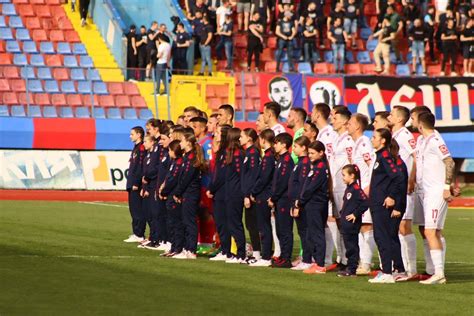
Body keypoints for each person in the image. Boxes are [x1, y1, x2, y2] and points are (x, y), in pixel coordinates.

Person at [417, 112, 455, 285]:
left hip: (436, 192)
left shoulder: (435, 140)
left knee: (430, 231)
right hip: (428, 192)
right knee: (434, 232)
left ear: (419, 124)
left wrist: (447, 187)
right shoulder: (425, 141)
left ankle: (438, 273)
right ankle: (438, 272)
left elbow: (450, 162)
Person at [368, 128, 406, 283]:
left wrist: (391, 197)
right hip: (377, 202)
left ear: (383, 140)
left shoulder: (384, 156)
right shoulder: (380, 156)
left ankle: (387, 273)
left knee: (382, 236)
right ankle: (397, 270)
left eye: (374, 137)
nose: (372, 139)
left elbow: (398, 178)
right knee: (388, 236)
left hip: (382, 204)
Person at [388, 105, 418, 279]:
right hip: (397, 186)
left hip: (405, 185)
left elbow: (415, 156)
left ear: (400, 119)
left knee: (404, 226)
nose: (389, 116)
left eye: (392, 114)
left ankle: (410, 269)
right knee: (398, 226)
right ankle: (401, 266)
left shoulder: (406, 135)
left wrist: (411, 179)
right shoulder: (395, 135)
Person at [346, 113, 376, 275]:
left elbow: (371, 165)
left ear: (358, 126)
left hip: (365, 190)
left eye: (350, 123)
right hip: (358, 191)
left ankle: (366, 263)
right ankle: (361, 261)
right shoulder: (356, 143)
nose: (347, 125)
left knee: (366, 226)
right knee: (359, 227)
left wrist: (369, 187)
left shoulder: (364, 142)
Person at [296, 141, 330, 274]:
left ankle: (320, 264)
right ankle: (317, 261)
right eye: (309, 153)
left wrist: (301, 200)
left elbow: (311, 187)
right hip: (313, 203)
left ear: (321, 153)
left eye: (312, 153)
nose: (309, 155)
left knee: (317, 234)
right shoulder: (317, 166)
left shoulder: (320, 167)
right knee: (313, 233)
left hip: (315, 204)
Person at [172, 131, 206, 259]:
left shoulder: (191, 158)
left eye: (182, 141)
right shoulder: (188, 157)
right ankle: (187, 248)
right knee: (186, 221)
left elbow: (186, 178)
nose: (180, 143)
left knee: (189, 222)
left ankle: (191, 250)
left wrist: (178, 192)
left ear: (188, 142)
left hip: (190, 193)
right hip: (187, 193)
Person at [328, 107, 354, 270]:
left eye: (335, 118)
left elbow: (352, 163)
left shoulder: (348, 140)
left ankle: (352, 258)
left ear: (345, 121)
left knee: (347, 224)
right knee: (338, 222)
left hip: (344, 187)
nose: (332, 120)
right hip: (335, 186)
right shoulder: (337, 139)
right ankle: (343, 258)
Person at [247, 129, 276, 267]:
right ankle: (265, 255)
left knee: (264, 227)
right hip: (263, 194)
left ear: (264, 139)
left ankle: (266, 257)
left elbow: (263, 178)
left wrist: (254, 191)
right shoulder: (269, 156)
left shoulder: (269, 157)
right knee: (263, 226)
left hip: (263, 195)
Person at [268, 133, 295, 268]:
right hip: (279, 200)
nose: (274, 145)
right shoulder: (281, 160)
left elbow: (283, 182)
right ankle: (283, 256)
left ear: (284, 144)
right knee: (280, 229)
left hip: (284, 200)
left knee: (285, 229)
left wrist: (274, 197)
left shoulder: (286, 161)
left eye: (277, 143)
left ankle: (286, 258)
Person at [338, 164, 369, 277]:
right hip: (346, 223)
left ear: (352, 176)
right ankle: (350, 267)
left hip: (351, 224)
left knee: (352, 247)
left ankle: (352, 269)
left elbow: (365, 202)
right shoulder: (349, 188)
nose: (342, 177)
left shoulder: (356, 188)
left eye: (344, 175)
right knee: (349, 246)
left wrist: (355, 214)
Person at [207, 125, 232, 261]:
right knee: (220, 223)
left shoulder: (226, 152)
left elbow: (221, 175)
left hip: (223, 192)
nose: (214, 135)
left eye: (217, 133)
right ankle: (224, 249)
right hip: (219, 192)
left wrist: (212, 188)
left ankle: (226, 251)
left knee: (223, 222)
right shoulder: (222, 152)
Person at [223, 128, 247, 263]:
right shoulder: (232, 153)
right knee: (232, 223)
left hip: (235, 193)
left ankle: (241, 253)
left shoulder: (238, 154)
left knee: (235, 223)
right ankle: (237, 252)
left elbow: (240, 174)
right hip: (230, 192)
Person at [288, 136, 312, 271]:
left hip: (301, 203)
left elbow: (303, 185)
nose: (293, 149)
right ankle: (306, 258)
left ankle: (308, 259)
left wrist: (298, 204)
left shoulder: (305, 164)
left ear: (304, 148)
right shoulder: (299, 162)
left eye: (296, 146)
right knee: (302, 232)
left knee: (305, 232)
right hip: (296, 202)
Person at [159, 140, 185, 257]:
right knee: (171, 223)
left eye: (169, 150)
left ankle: (178, 248)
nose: (168, 152)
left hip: (173, 196)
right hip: (170, 196)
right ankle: (173, 247)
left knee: (176, 224)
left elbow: (172, 180)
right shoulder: (175, 162)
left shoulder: (179, 163)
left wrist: (164, 191)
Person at [240, 128, 262, 262]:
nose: (239, 138)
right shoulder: (248, 153)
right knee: (250, 224)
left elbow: (253, 176)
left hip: (251, 196)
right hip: (247, 194)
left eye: (242, 136)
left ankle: (258, 253)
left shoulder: (253, 153)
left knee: (253, 224)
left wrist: (248, 195)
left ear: (249, 138)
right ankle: (257, 252)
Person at [124, 126, 146, 243]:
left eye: (132, 134)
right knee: (133, 210)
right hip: (132, 182)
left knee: (137, 210)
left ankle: (139, 233)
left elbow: (140, 167)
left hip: (135, 184)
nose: (130, 136)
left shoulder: (141, 148)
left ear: (139, 135)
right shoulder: (136, 148)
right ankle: (136, 232)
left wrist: (136, 182)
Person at [141, 135, 160, 250]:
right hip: (148, 187)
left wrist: (147, 180)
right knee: (149, 214)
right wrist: (144, 187)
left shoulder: (155, 155)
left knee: (155, 214)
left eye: (146, 141)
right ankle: (152, 237)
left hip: (153, 186)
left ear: (152, 142)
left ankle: (156, 239)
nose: (144, 144)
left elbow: (154, 171)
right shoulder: (148, 155)